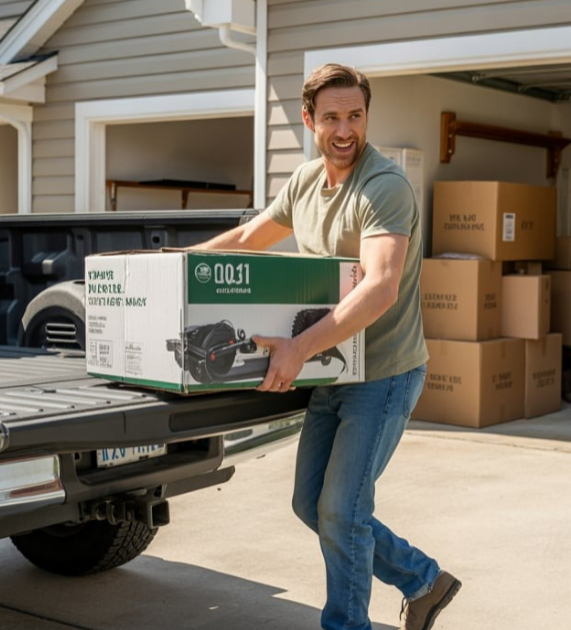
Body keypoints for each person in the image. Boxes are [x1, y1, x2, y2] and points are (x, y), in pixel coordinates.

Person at [195, 63, 460, 630]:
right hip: (334, 368)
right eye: (333, 117)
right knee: (311, 502)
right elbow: (248, 239)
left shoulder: (383, 186)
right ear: (309, 119)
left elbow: (380, 287)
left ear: (367, 117)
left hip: (384, 374)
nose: (346, 130)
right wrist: (181, 268)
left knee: (341, 511)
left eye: (356, 116)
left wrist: (296, 348)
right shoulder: (306, 181)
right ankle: (423, 580)